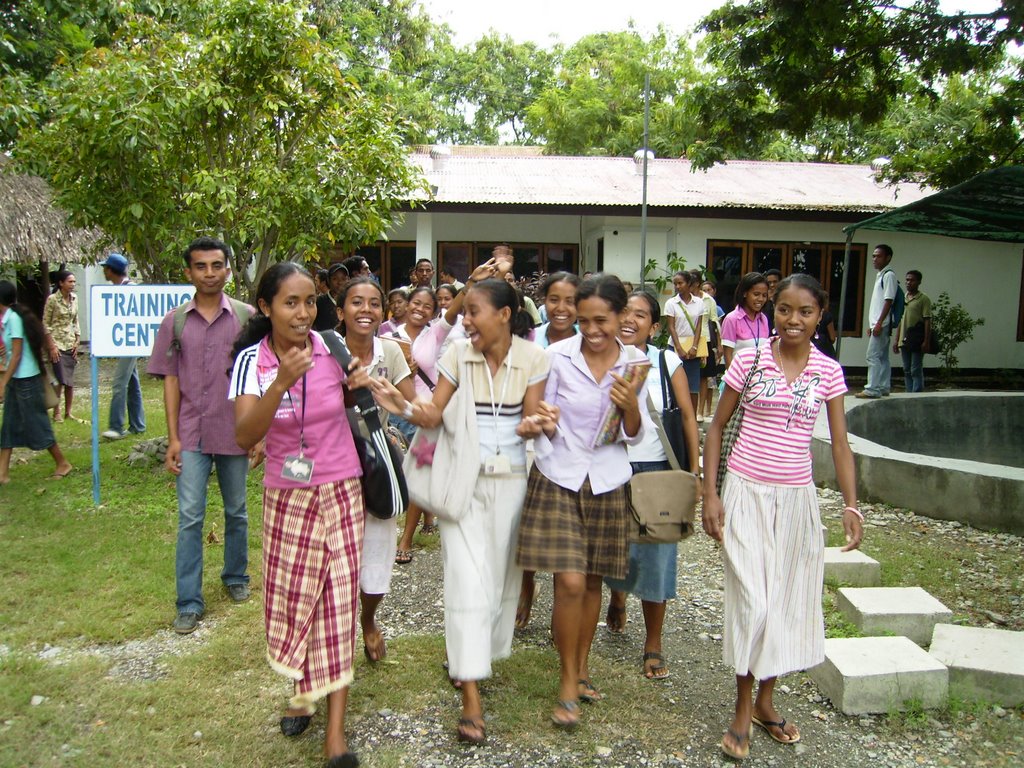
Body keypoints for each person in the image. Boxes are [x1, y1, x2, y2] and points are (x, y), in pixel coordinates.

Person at [371, 278, 551, 745]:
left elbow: (531, 421)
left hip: (511, 484)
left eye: (473, 311)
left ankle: (468, 657)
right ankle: (471, 694)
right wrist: (404, 406)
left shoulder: (534, 358)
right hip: (461, 487)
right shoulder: (457, 355)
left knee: (497, 586)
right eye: (464, 311)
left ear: (506, 314)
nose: (465, 320)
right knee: (467, 583)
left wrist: (537, 423)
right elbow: (433, 415)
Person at [702, 273, 862, 761]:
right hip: (747, 493)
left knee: (786, 601)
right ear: (775, 310)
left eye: (805, 312)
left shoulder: (828, 371)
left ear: (820, 317)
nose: (794, 320)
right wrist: (710, 494)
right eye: (785, 309)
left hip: (797, 501)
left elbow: (838, 443)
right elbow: (716, 427)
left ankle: (766, 702)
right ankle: (742, 704)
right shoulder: (749, 359)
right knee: (754, 601)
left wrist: (851, 505)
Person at [229, 262, 371, 768]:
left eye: (311, 301)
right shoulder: (252, 360)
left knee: (336, 602)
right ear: (266, 307)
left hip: (340, 489)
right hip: (287, 496)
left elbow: (358, 400)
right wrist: (280, 382)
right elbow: (245, 435)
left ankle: (336, 733)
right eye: (291, 302)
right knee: (296, 599)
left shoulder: (333, 348)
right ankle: (300, 689)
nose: (304, 312)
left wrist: (362, 382)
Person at [515, 273, 649, 729]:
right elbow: (542, 417)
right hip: (559, 476)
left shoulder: (635, 364)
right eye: (584, 320)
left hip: (608, 481)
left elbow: (634, 434)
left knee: (592, 583)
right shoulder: (556, 357)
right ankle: (567, 680)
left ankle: (582, 663)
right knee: (569, 583)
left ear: (620, 317)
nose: (591, 330)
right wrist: (544, 419)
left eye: (601, 321)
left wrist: (630, 404)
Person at [147, 237, 255, 635]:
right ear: (188, 272)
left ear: (228, 269)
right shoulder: (174, 322)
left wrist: (257, 434)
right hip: (191, 432)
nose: (209, 273)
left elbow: (257, 378)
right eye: (201, 266)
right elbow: (171, 380)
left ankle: (235, 576)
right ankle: (189, 602)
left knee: (237, 511)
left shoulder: (245, 319)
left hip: (234, 431)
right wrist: (173, 437)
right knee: (190, 517)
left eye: (216, 265)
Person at [603, 290, 701, 678]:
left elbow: (690, 419)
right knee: (612, 547)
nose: (629, 320)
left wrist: (692, 474)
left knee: (657, 557)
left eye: (640, 315)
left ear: (655, 326)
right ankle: (617, 598)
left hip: (657, 469)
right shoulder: (600, 357)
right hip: (609, 467)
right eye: (624, 311)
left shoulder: (665, 359)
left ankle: (654, 641)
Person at [393, 261, 503, 562]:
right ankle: (410, 530)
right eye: (416, 303)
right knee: (414, 470)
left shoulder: (437, 334)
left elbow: (453, 310)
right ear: (405, 304)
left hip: (432, 409)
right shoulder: (390, 333)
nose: (421, 309)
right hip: (398, 409)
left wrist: (469, 282)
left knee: (427, 466)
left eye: (427, 306)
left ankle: (423, 527)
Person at [335, 276, 415, 665]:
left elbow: (412, 401)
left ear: (383, 312)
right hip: (331, 462)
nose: (365, 310)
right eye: (356, 302)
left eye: (373, 304)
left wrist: (392, 400)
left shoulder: (391, 352)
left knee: (379, 551)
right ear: (340, 311)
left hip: (376, 460)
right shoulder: (321, 350)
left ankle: (368, 619)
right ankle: (332, 636)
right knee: (331, 556)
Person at [515, 270, 581, 631]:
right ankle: (526, 586)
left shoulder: (590, 342)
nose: (561, 308)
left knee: (563, 537)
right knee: (525, 523)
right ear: (543, 300)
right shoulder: (530, 340)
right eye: (554, 299)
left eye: (571, 300)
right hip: (528, 442)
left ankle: (562, 611)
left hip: (569, 450)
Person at [0, 280, 73, 484]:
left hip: (25, 380)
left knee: (38, 423)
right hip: (17, 379)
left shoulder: (14, 319)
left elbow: (16, 355)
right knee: (9, 425)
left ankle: (62, 462)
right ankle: (2, 473)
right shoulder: (10, 318)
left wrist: (3, 382)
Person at [100, 253, 146, 440]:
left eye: (105, 268)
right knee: (132, 382)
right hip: (125, 342)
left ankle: (116, 427)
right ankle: (138, 425)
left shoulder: (130, 289)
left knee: (119, 383)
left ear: (111, 270)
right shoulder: (117, 289)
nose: (103, 271)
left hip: (132, 343)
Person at [663, 270, 704, 413]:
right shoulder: (671, 303)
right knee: (673, 383)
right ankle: (675, 414)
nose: (677, 287)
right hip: (675, 346)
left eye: (680, 283)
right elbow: (671, 327)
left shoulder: (699, 302)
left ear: (689, 284)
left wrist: (694, 346)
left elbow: (699, 326)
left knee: (693, 386)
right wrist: (678, 348)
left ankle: (691, 417)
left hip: (693, 347)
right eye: (675, 284)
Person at [42, 270, 80, 423]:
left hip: (70, 342)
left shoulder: (75, 298)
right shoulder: (52, 299)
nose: (72, 285)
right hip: (56, 343)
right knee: (60, 379)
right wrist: (51, 346)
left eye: (74, 282)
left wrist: (78, 339)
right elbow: (45, 323)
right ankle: (56, 411)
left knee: (69, 381)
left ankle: (68, 412)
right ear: (61, 283)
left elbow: (75, 320)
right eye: (70, 282)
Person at [720, 272, 770, 370]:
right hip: (738, 379)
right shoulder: (732, 319)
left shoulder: (763, 319)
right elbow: (728, 355)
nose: (761, 299)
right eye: (756, 294)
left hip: (759, 379)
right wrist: (733, 382)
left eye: (764, 295)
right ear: (744, 293)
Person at [893, 269, 932, 393]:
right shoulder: (903, 298)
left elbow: (927, 320)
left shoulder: (923, 299)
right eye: (907, 280)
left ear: (919, 282)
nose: (909, 282)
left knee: (915, 368)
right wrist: (896, 339)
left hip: (916, 339)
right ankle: (908, 393)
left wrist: (926, 341)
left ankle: (917, 393)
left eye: (912, 280)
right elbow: (900, 320)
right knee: (906, 368)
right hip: (904, 339)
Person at [691, 270, 721, 423]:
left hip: (705, 340)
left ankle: (700, 410)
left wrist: (719, 345)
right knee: (689, 375)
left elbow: (715, 322)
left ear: (696, 283)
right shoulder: (681, 300)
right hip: (687, 340)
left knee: (703, 377)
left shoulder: (709, 300)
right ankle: (690, 409)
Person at [313, 267, 339, 332]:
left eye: (316, 281)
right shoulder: (318, 300)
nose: (315, 284)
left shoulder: (343, 299)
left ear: (323, 283)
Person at [762, 268, 783, 333]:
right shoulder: (762, 296)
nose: (772, 285)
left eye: (775, 282)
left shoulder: (786, 296)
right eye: (769, 282)